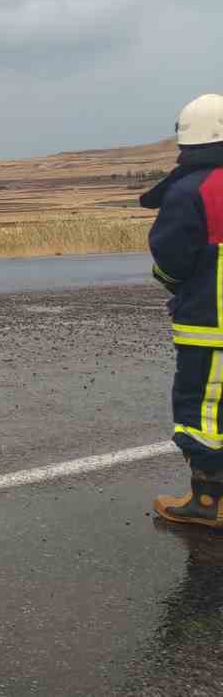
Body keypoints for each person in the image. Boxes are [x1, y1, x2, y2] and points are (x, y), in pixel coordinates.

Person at [148, 94, 223, 528]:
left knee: (202, 409)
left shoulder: (192, 189)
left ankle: (209, 501)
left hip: (210, 324)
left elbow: (171, 256)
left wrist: (176, 287)